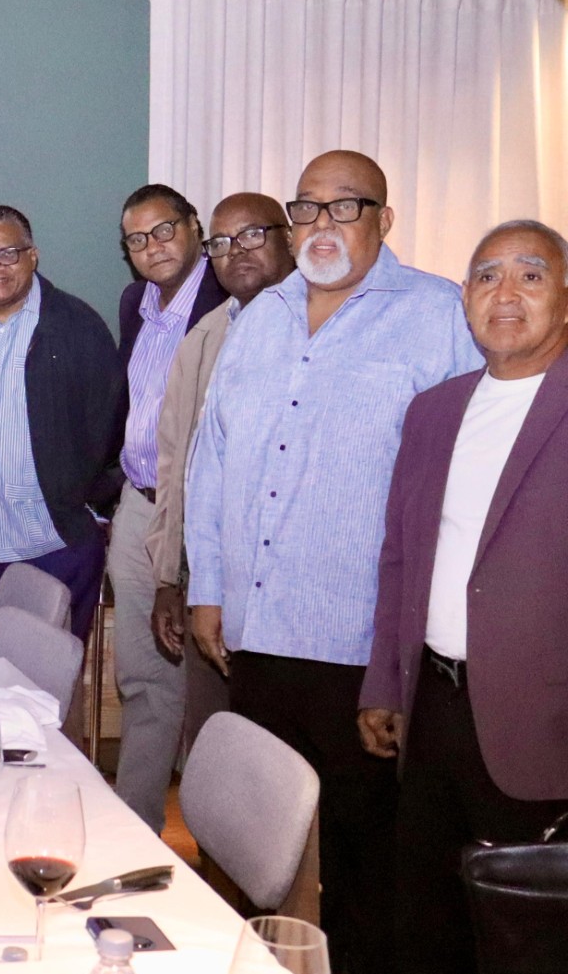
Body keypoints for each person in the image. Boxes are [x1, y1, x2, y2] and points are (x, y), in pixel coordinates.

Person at [184, 150, 481, 974]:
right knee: (251, 844)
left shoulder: (437, 314)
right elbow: (213, 457)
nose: (322, 224)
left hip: (362, 645)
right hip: (255, 632)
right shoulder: (261, 317)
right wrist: (208, 586)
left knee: (364, 857)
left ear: (384, 220)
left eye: (344, 207)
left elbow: (465, 474)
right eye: (307, 207)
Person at [359, 220, 568, 974]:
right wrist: (384, 684)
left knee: (524, 943)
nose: (504, 293)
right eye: (486, 276)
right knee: (427, 922)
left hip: (543, 726)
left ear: (565, 297)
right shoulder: (434, 411)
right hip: (434, 709)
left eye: (530, 275)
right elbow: (400, 557)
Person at [0, 206, 122, 639]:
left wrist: (91, 510)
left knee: (48, 672)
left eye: (8, 254)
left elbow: (109, 423)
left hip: (54, 543)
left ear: (33, 256)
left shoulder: (79, 326)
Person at [146, 192, 295, 763]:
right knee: (215, 749)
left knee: (283, 762)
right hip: (211, 588)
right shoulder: (205, 336)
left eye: (253, 235)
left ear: (290, 238)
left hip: (290, 601)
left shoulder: (319, 332)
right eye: (222, 243)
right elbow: (178, 466)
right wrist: (170, 577)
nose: (237, 252)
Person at [107, 184, 228, 834]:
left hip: (199, 515)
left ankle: (222, 844)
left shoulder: (230, 299)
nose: (152, 247)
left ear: (194, 227)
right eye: (137, 238)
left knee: (208, 690)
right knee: (142, 678)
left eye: (164, 230)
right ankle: (136, 830)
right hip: (137, 506)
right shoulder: (136, 302)